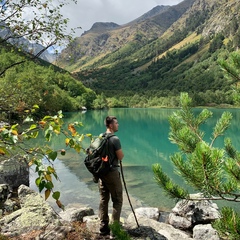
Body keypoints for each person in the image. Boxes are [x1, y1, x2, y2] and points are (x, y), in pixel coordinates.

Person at [98, 116, 124, 237]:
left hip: (101, 173)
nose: (118, 125)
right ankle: (115, 229)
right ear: (111, 125)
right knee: (117, 199)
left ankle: (103, 227)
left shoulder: (100, 137)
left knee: (104, 199)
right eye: (116, 123)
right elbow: (120, 157)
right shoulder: (115, 139)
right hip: (112, 173)